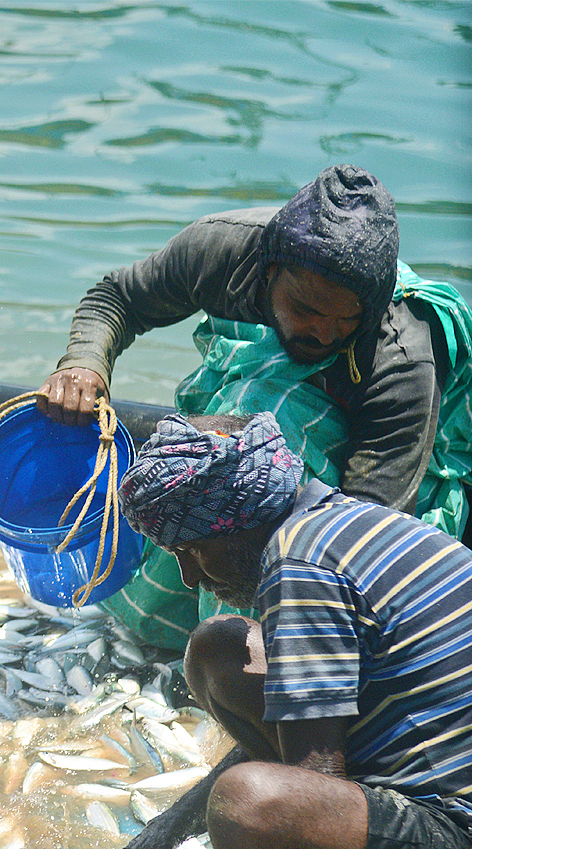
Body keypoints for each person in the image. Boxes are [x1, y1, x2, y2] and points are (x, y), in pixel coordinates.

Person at [37, 164, 470, 651]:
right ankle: (177, 622)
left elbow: (368, 523)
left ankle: (240, 643)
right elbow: (118, 297)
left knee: (259, 436)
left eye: (343, 320)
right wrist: (84, 365)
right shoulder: (224, 251)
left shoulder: (402, 356)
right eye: (305, 309)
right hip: (252, 397)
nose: (323, 333)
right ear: (269, 273)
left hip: (390, 468)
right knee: (218, 446)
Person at [75, 412, 471, 849]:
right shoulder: (338, 519)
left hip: (463, 837)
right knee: (218, 650)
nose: (189, 579)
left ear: (238, 526)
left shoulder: (298, 568)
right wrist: (162, 833)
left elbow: (307, 792)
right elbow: (304, 744)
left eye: (193, 551)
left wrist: (234, 824)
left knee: (247, 806)